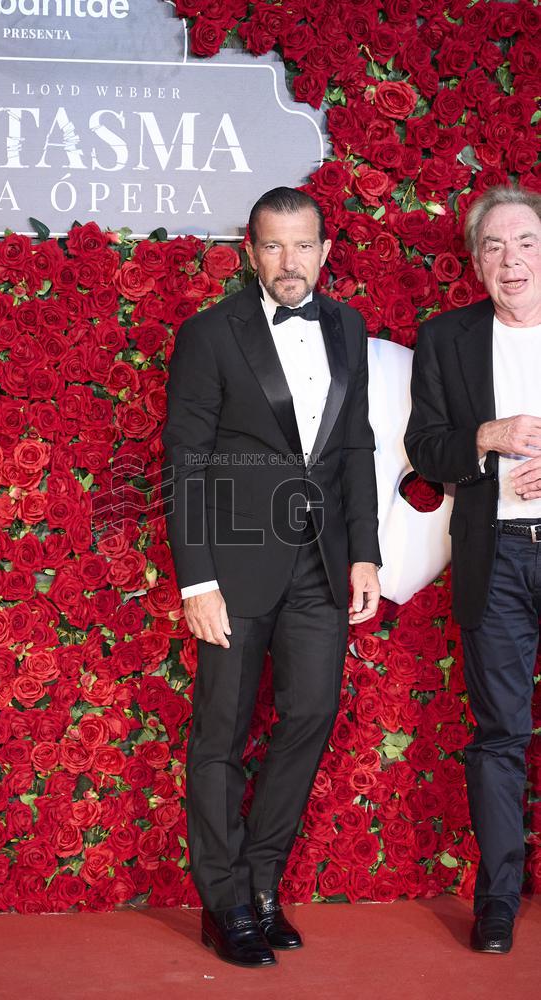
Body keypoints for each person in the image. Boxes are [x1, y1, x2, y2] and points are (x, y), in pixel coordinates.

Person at [162, 187, 381, 967]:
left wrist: (365, 552)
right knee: (218, 735)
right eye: (274, 247)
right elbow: (185, 464)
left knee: (311, 715)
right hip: (233, 566)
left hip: (321, 564)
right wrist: (197, 582)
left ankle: (259, 883)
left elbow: (355, 446)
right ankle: (222, 902)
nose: (291, 264)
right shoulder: (209, 334)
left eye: (305, 246)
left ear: (326, 250)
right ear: (249, 250)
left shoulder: (348, 326)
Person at [405, 186, 541, 955]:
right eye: (493, 246)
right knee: (499, 735)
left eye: (524, 242)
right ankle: (497, 902)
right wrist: (487, 435)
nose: (510, 259)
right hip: (497, 559)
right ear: (476, 261)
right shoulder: (448, 338)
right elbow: (427, 447)